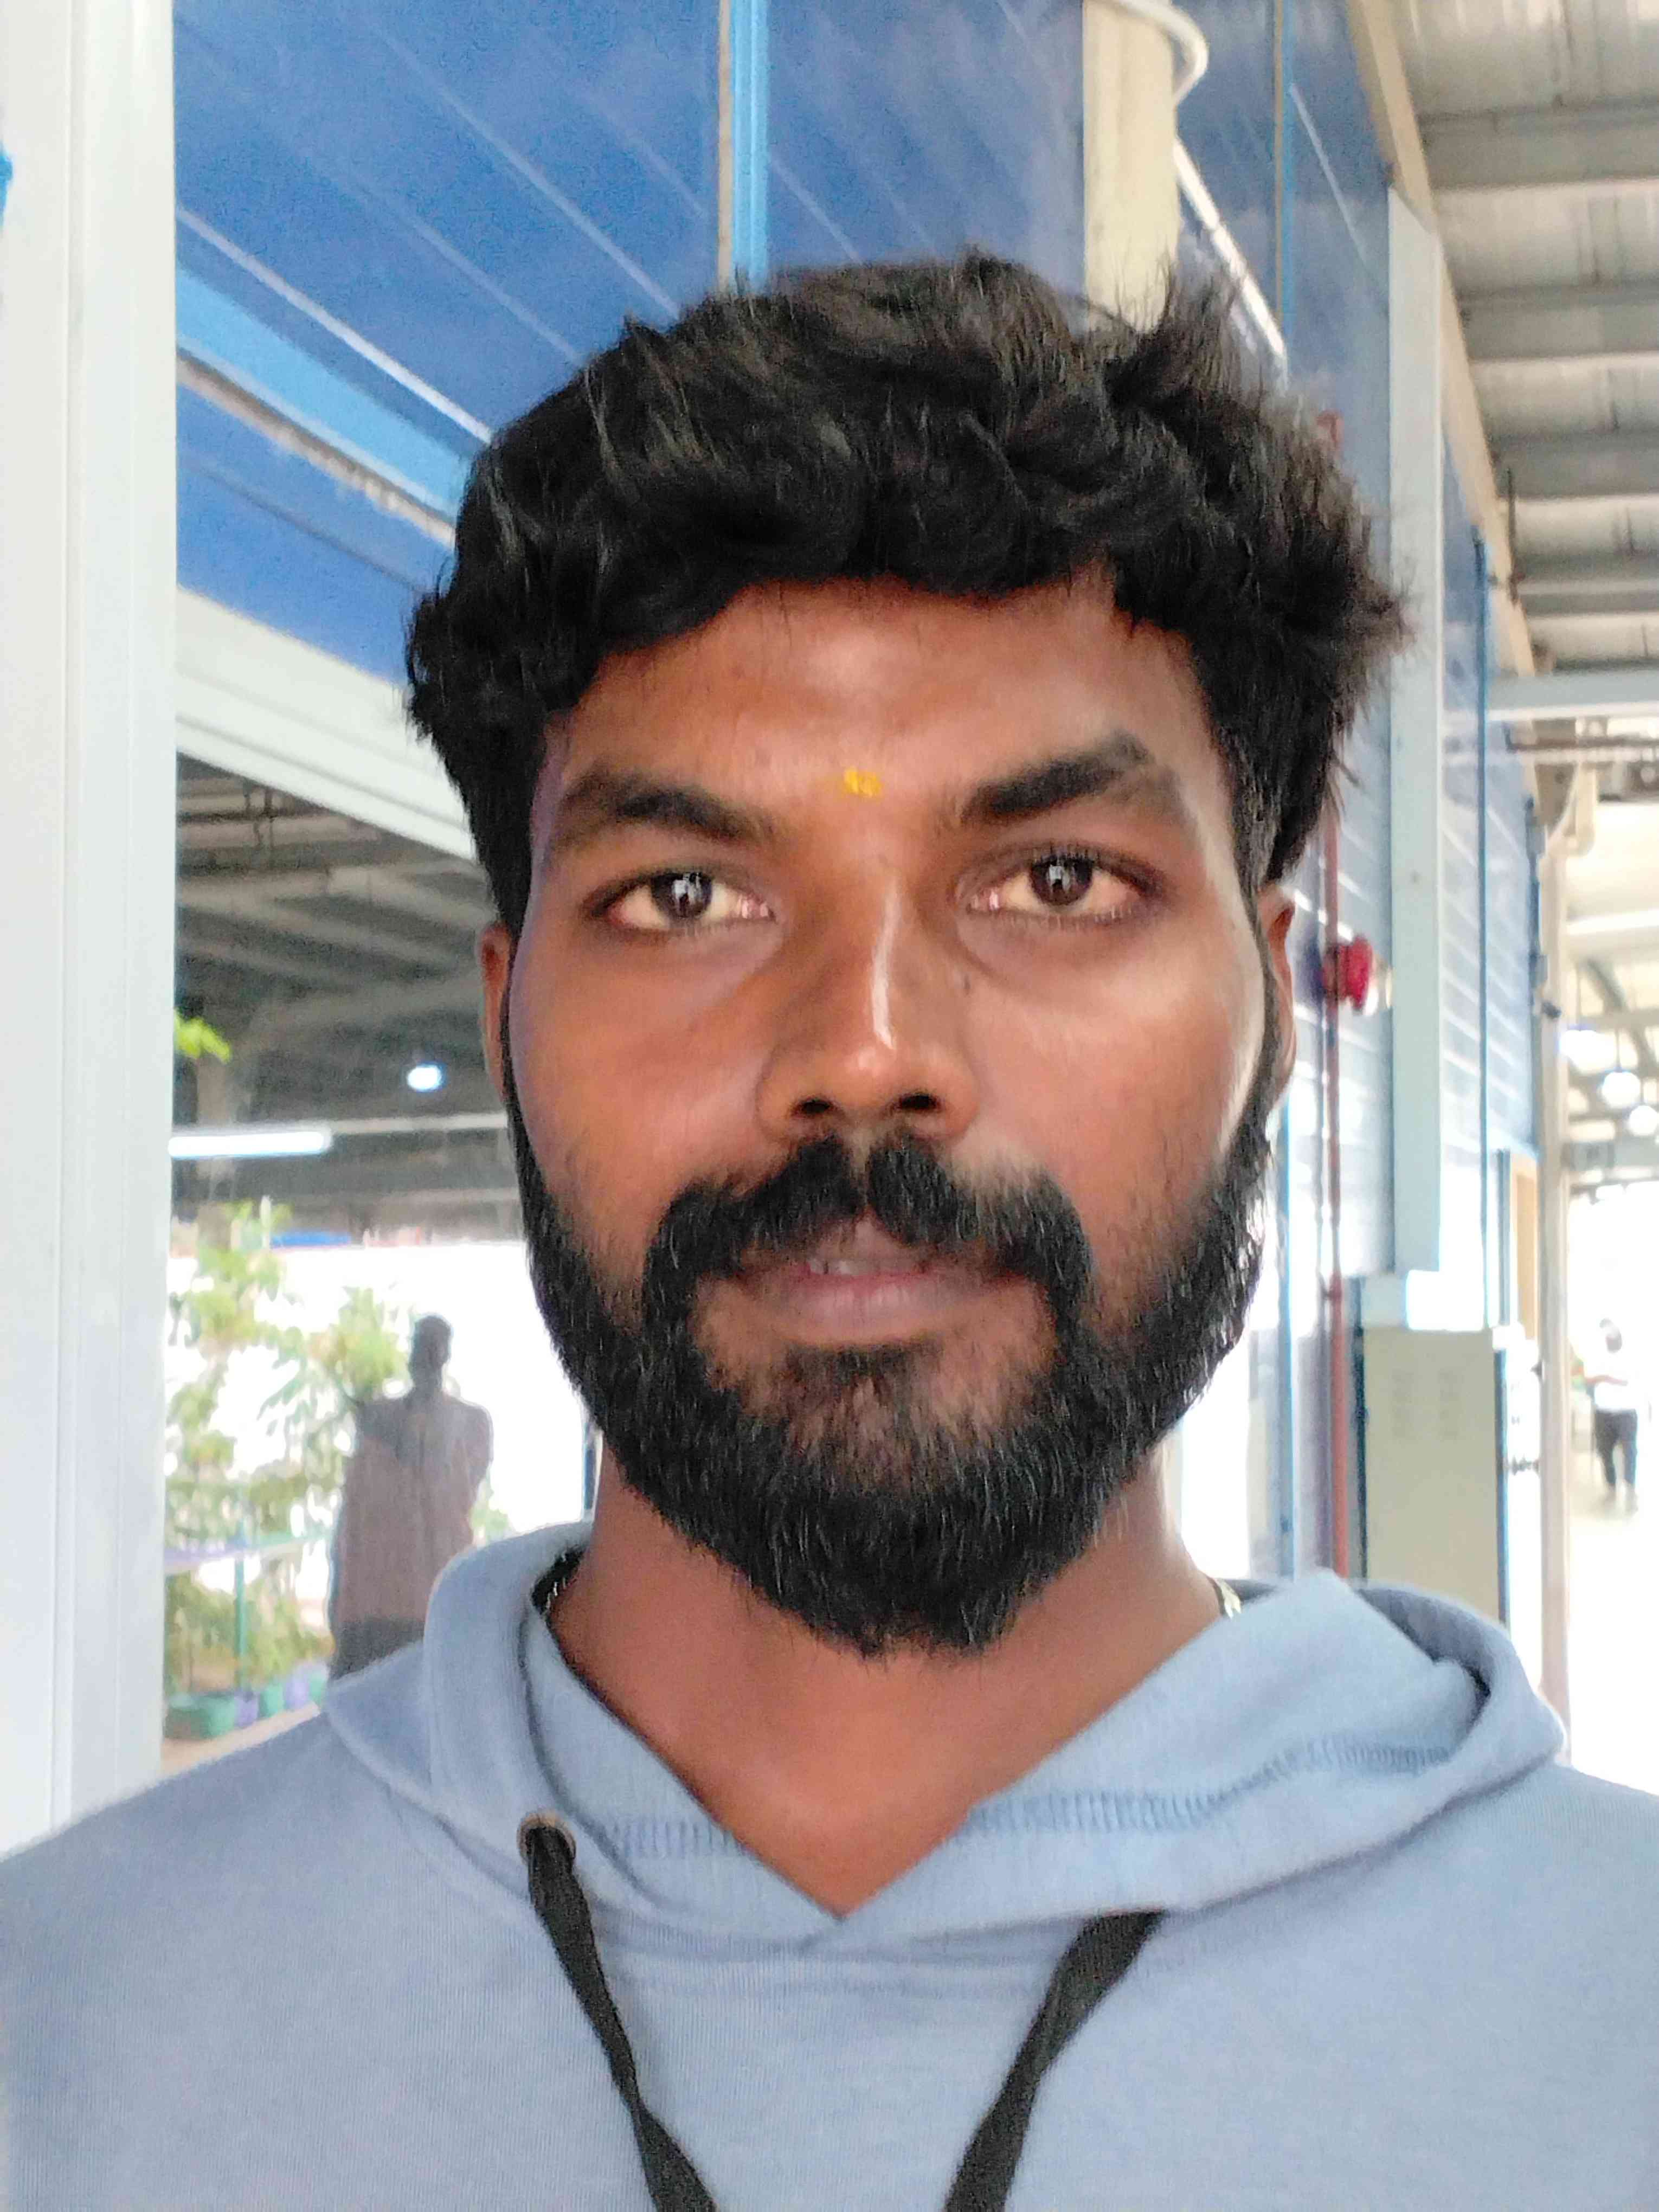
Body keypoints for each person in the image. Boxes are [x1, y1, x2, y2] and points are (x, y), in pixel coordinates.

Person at [4, 256, 1658, 2209]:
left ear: (1276, 1011)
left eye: (1059, 877)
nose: (865, 1054)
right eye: (684, 895)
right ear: (504, 1016)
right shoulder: (60, 2033)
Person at [327, 1314, 494, 1676]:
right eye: (420, 1346)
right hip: (372, 1608)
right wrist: (338, 1587)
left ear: (445, 1355)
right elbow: (352, 1516)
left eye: (433, 1348)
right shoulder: (376, 1419)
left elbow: (456, 1492)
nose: (425, 1357)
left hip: (432, 1603)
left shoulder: (469, 1423)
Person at [1585, 1317, 1641, 1504]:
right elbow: (1589, 1379)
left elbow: (1626, 1381)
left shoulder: (1629, 1355)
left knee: (1630, 1450)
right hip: (1603, 1411)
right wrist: (1606, 1378)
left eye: (1612, 1334)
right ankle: (1611, 1486)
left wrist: (1604, 1378)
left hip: (1627, 1411)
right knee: (1604, 1450)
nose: (1610, 1337)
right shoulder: (1596, 1356)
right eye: (1607, 1335)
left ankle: (1631, 1487)